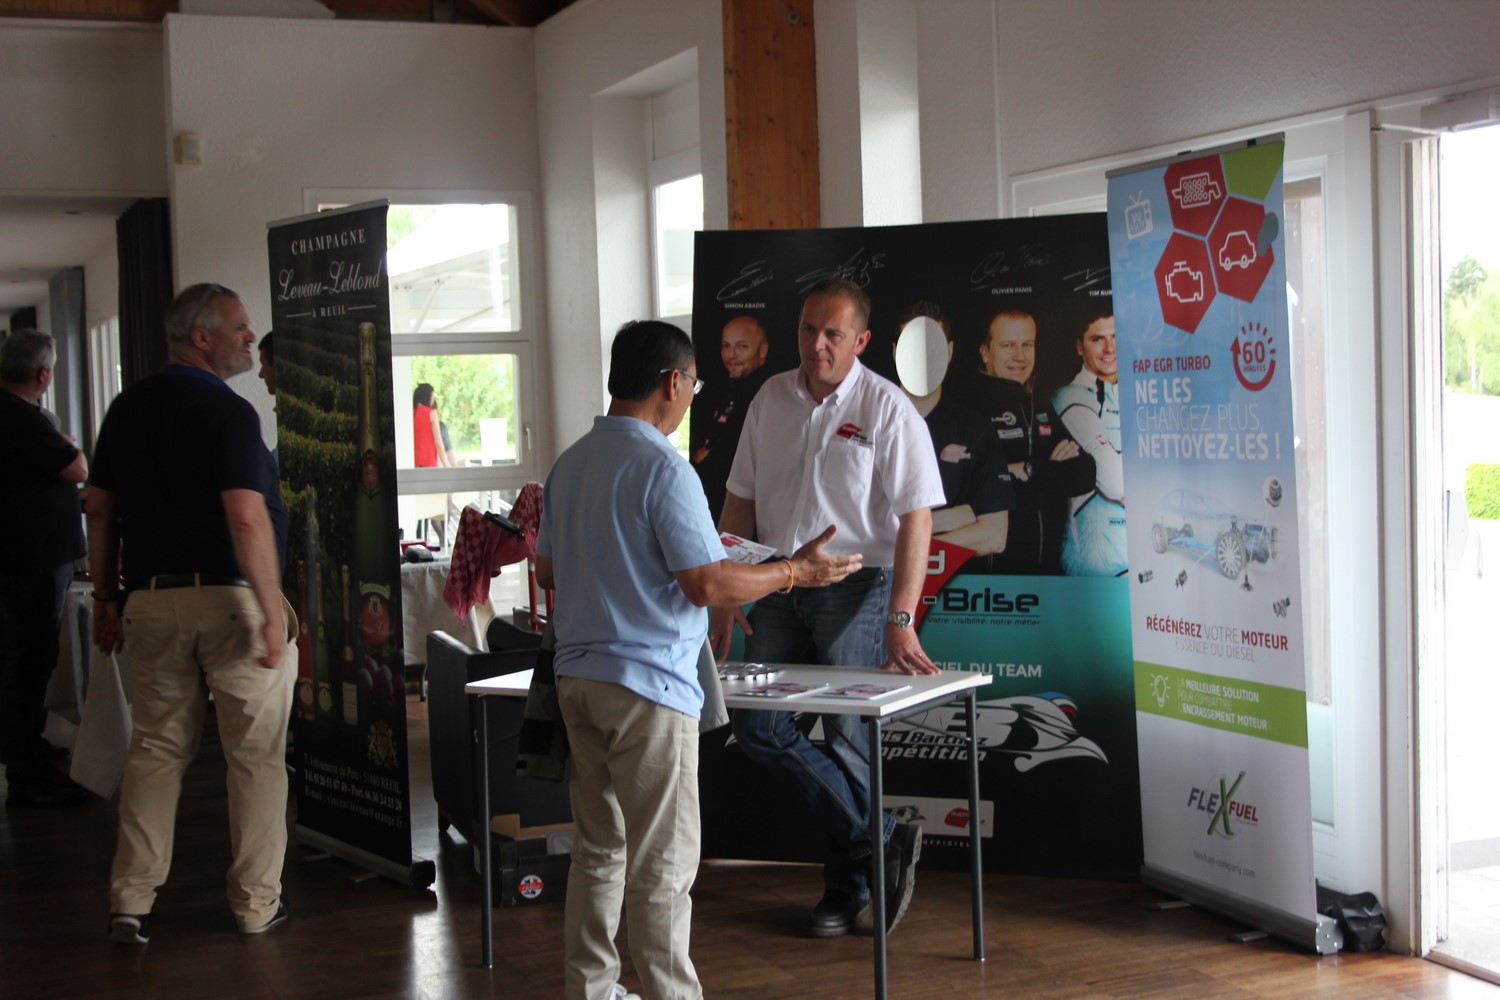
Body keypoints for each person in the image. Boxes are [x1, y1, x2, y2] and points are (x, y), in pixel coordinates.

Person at [536, 319, 861, 1000]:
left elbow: (548, 572)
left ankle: (590, 991)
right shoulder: (664, 467)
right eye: (692, 385)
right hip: (648, 690)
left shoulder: (570, 465)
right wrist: (794, 573)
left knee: (598, 850)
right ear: (672, 382)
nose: (690, 398)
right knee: (663, 865)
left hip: (578, 682)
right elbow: (708, 585)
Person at [712, 277, 946, 939]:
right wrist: (728, 591)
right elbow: (738, 501)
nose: (817, 344)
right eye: (808, 329)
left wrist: (901, 617)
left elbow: (917, 519)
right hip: (777, 584)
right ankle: (885, 836)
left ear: (861, 340)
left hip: (856, 589)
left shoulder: (888, 409)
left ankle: (848, 890)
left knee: (848, 739)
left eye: (833, 333)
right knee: (758, 729)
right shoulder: (769, 397)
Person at [88, 282, 294, 944]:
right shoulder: (229, 413)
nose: (251, 337)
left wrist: (105, 597)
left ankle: (131, 901)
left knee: (154, 751)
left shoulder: (127, 407)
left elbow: (99, 508)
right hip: (231, 602)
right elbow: (246, 516)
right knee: (255, 757)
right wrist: (271, 610)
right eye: (239, 327)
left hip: (150, 601)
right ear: (201, 337)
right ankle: (256, 905)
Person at [0, 328, 90, 807]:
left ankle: (26, 746)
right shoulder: (22, 416)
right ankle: (25, 770)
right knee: (31, 659)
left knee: (28, 657)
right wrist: (64, 441)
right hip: (32, 558)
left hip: (24, 554)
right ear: (43, 376)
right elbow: (78, 468)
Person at [971, 308, 1096, 574]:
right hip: (990, 579)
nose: (1019, 356)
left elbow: (1086, 473)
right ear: (985, 352)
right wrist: (1051, 475)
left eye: (1027, 345)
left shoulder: (1039, 406)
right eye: (1008, 345)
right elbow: (976, 492)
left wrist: (1029, 469)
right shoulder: (969, 410)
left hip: (1045, 577)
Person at [892, 301, 1013, 567]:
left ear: (949, 352)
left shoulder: (976, 430)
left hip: (957, 587)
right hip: (878, 587)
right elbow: (855, 528)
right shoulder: (869, 425)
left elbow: (994, 535)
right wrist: (957, 517)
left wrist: (906, 541)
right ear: (895, 353)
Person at [1051, 311, 1126, 576]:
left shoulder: (1136, 392)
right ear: (1080, 347)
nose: (1110, 348)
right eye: (1098, 339)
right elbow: (1115, 482)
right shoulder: (1070, 396)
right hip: (1094, 567)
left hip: (1137, 559)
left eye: (1116, 337)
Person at [690, 315, 773, 519]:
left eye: (742, 346)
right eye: (726, 346)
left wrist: (709, 458)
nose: (731, 355)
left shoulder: (767, 395)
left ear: (763, 350)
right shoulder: (730, 388)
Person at [412, 382, 451, 467]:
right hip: (428, 462)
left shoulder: (411, 414)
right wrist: (445, 463)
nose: (433, 401)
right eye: (432, 397)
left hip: (413, 463)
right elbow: (438, 442)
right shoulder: (431, 413)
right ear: (427, 397)